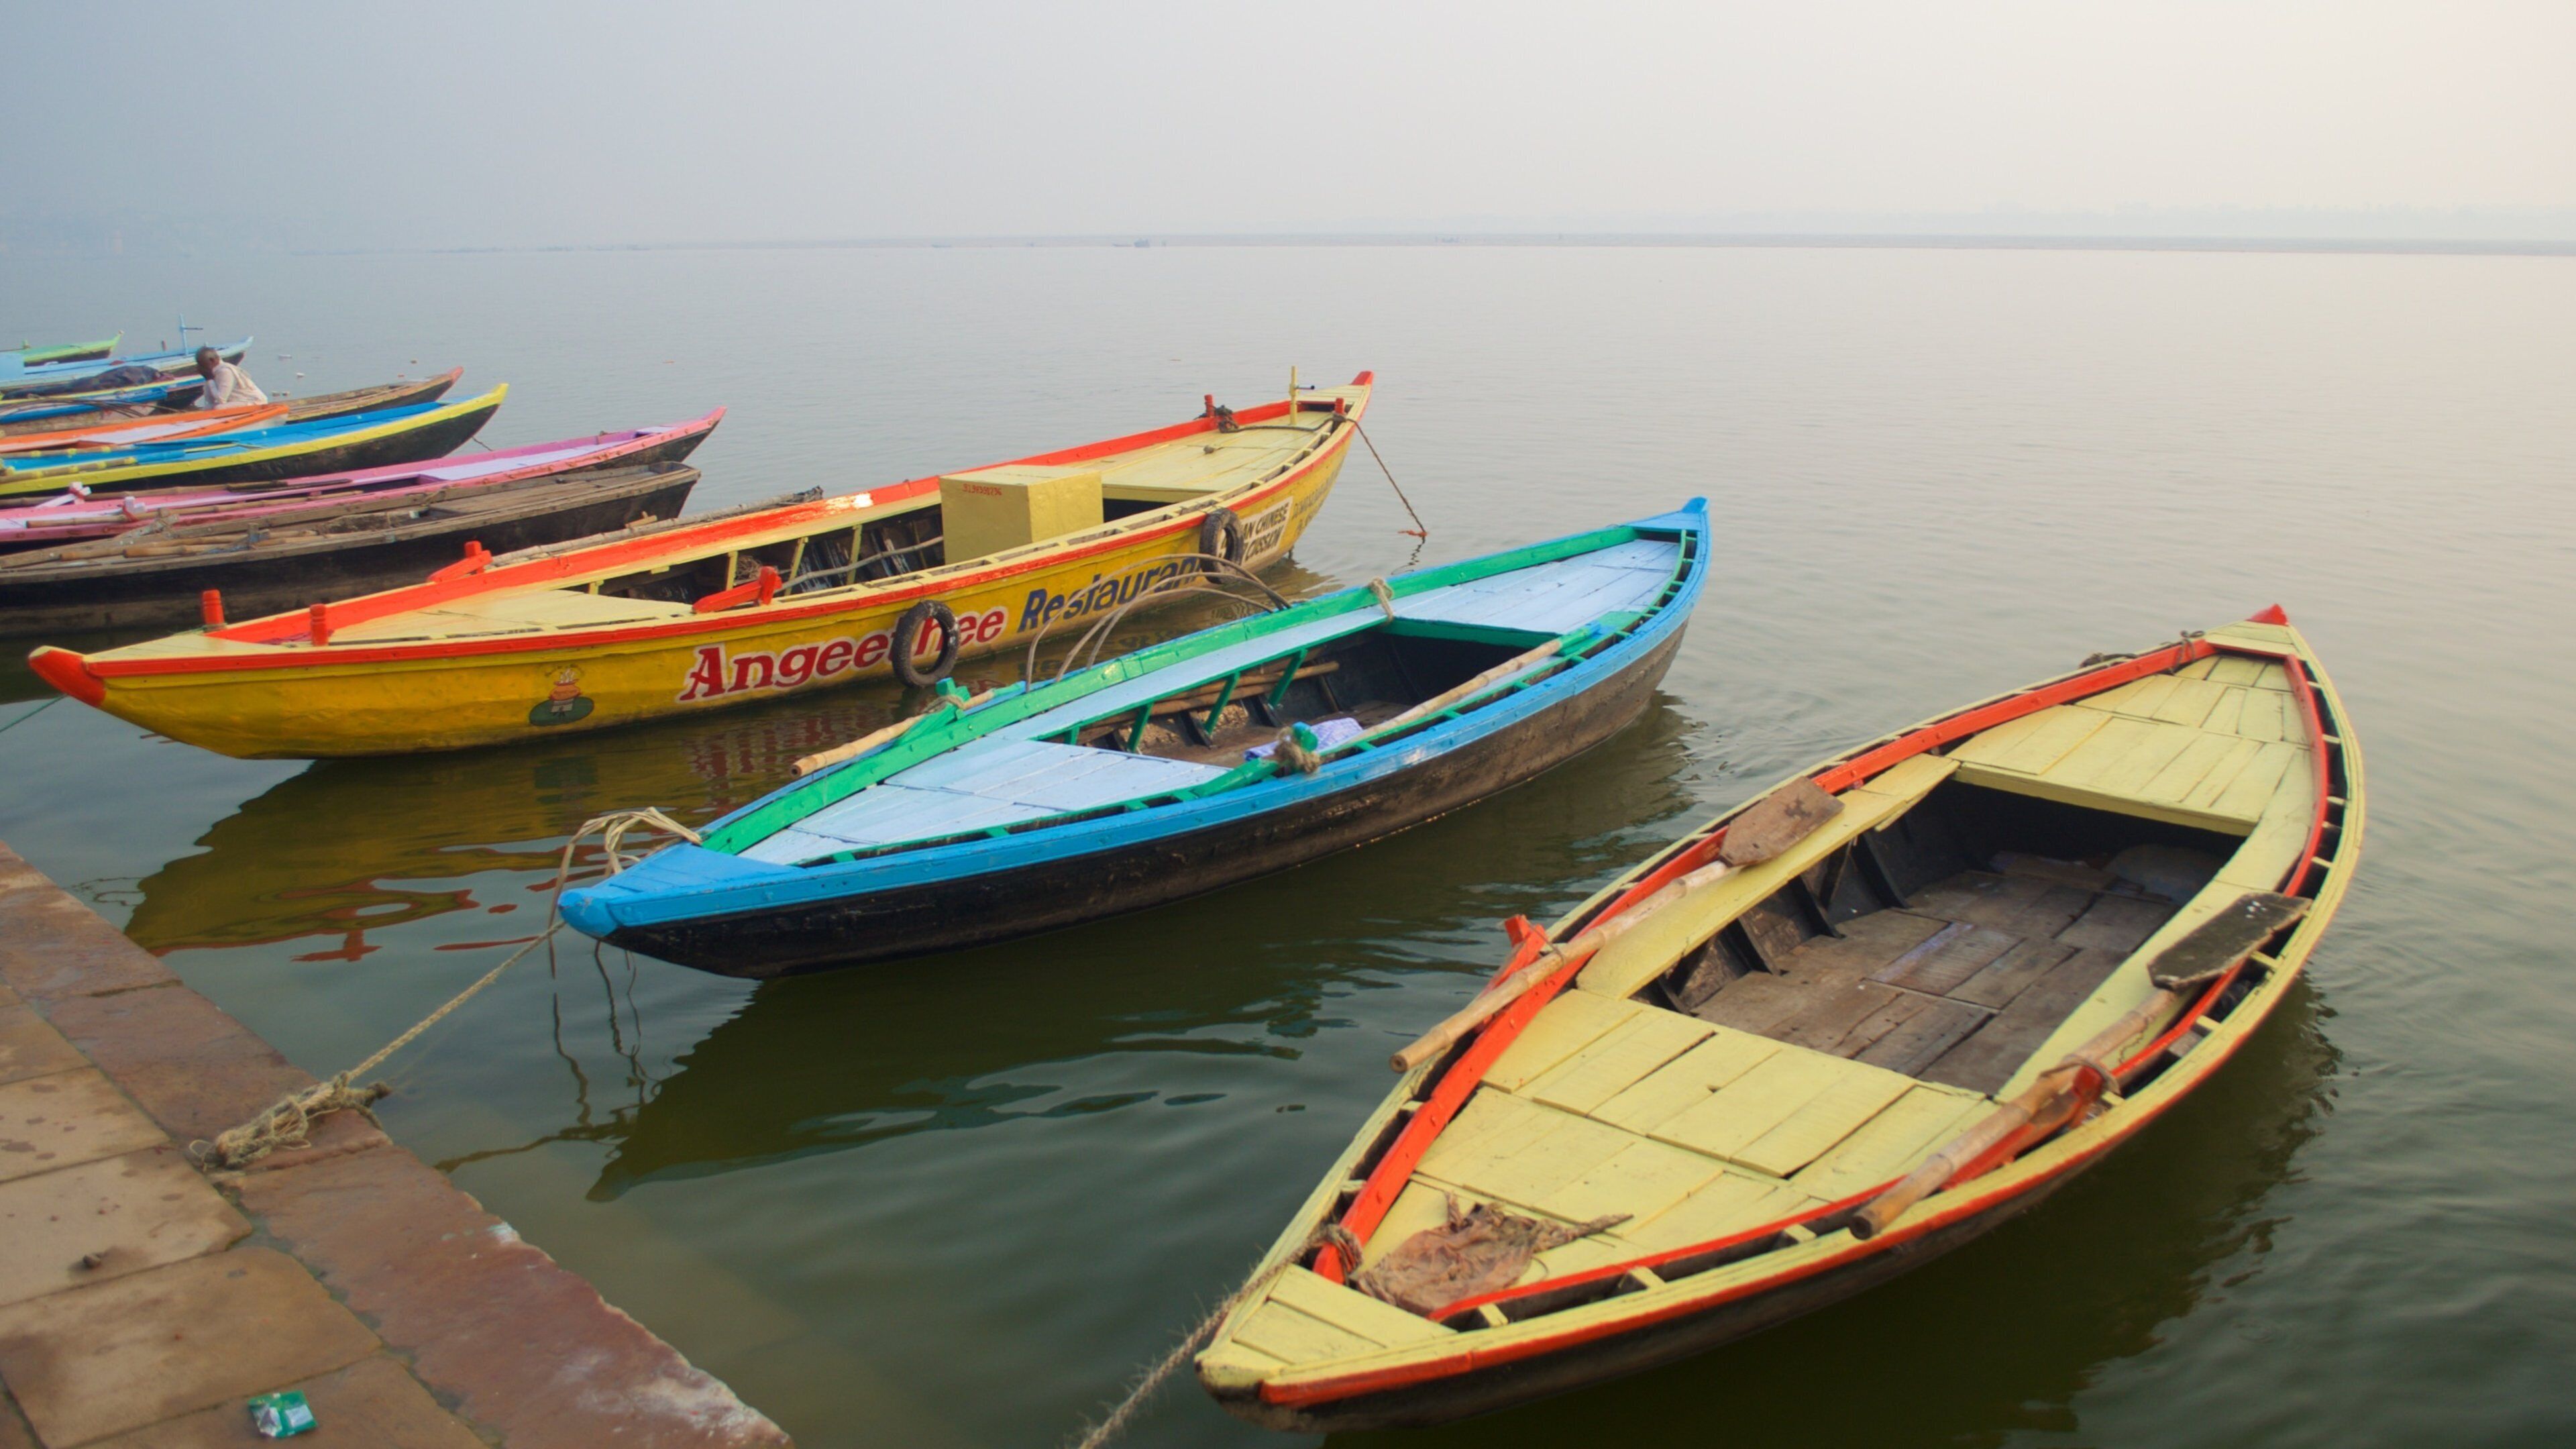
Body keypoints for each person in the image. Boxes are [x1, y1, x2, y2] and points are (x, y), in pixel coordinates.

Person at [191, 346, 267, 410]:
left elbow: (221, 399)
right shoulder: (213, 372)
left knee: (219, 408)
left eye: (202, 365)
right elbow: (210, 400)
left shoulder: (225, 371)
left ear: (212, 360)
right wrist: (208, 380)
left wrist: (210, 379)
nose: (200, 368)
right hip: (236, 402)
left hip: (253, 401)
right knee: (208, 407)